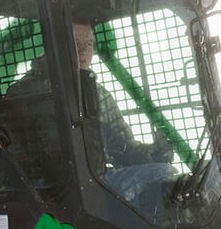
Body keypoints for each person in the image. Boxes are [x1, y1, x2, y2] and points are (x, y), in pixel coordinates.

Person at [72, 18, 179, 210]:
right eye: (75, 43)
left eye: (88, 44)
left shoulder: (98, 95)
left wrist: (152, 153)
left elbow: (122, 146)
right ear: (57, 46)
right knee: (164, 176)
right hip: (80, 188)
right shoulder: (31, 92)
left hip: (92, 185)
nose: (83, 50)